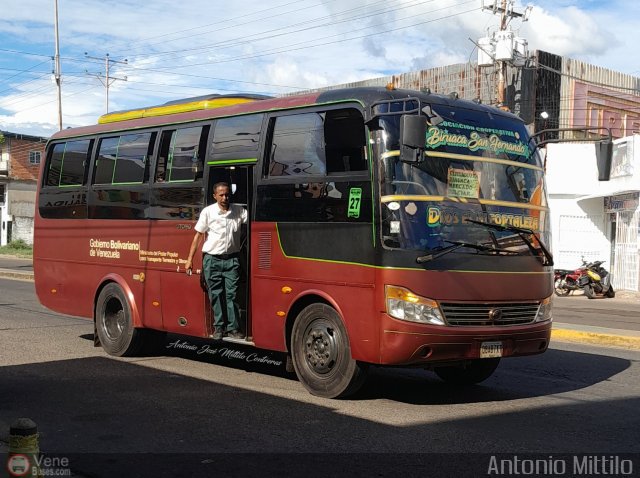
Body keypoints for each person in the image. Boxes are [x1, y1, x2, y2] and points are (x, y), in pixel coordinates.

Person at [185, 182, 247, 340]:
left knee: (232, 295)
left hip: (232, 260)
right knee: (216, 295)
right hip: (212, 260)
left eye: (227, 194)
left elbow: (255, 221)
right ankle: (219, 328)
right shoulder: (208, 212)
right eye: (221, 195)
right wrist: (189, 259)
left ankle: (234, 328)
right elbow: (198, 236)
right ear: (215, 196)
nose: (225, 197)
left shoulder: (239, 211)